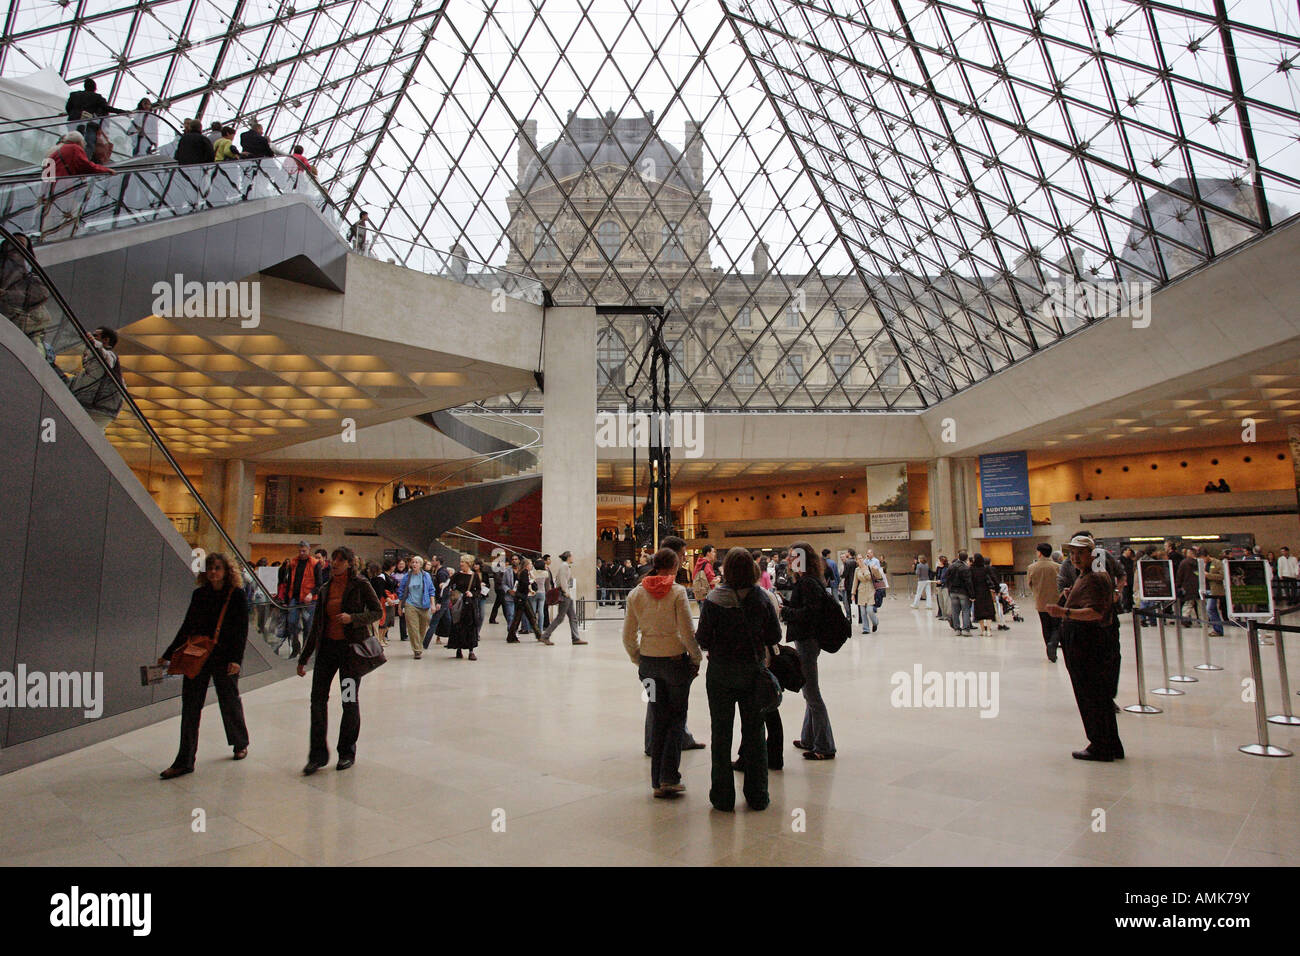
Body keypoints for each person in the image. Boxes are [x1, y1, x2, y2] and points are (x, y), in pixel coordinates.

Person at [696, 547, 782, 812]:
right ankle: (758, 795)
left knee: (720, 735)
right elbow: (775, 636)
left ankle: (722, 797)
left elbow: (703, 639)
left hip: (721, 672)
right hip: (752, 673)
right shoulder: (762, 598)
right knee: (755, 734)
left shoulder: (714, 599)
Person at [157, 552, 250, 778]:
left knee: (229, 701)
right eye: (210, 568)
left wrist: (236, 660)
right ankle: (184, 760)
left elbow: (241, 631)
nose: (213, 572)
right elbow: (187, 626)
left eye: (217, 568)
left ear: (227, 571)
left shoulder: (236, 595)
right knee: (190, 707)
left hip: (224, 658)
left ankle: (240, 742)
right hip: (197, 657)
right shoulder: (199, 595)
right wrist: (168, 653)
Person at [623, 547, 701, 798]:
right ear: (675, 566)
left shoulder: (636, 594)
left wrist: (638, 658)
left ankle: (657, 781)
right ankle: (669, 777)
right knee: (676, 718)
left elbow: (627, 635)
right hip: (674, 664)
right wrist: (696, 658)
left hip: (649, 665)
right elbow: (687, 631)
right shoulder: (677, 592)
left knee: (658, 717)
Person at [298, 547, 381, 773]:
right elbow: (316, 626)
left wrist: (352, 618)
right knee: (317, 700)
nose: (335, 563)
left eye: (340, 560)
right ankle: (317, 755)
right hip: (327, 651)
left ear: (349, 563)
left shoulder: (360, 584)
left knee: (348, 700)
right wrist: (304, 658)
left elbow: (377, 612)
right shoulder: (325, 588)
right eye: (333, 559)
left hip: (349, 653)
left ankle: (346, 752)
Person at [1047, 534, 1124, 762]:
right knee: (1097, 697)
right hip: (1084, 641)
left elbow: (1095, 612)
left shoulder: (1095, 578)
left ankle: (1100, 745)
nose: (1075, 557)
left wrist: (1064, 612)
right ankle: (1110, 743)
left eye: (1080, 553)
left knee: (1091, 696)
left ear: (1092, 554)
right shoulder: (1087, 576)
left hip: (1087, 643)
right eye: (1072, 553)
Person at [781, 542, 835, 760]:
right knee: (808, 690)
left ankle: (824, 746)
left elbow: (810, 614)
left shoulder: (808, 583)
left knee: (812, 693)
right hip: (808, 640)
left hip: (808, 640)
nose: (788, 560)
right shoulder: (806, 581)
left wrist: (785, 611)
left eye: (792, 556)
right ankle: (808, 737)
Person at [0, 235, 53, 355]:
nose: (16, 247)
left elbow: (41, 293)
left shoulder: (32, 273)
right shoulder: (3, 268)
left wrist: (6, 295)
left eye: (20, 244)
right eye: (12, 244)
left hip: (28, 328)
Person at [68, 325, 125, 429]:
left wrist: (95, 343)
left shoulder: (110, 355)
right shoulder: (94, 361)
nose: (92, 337)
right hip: (93, 406)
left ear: (106, 340)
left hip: (101, 408)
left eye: (95, 335)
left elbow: (108, 359)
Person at [540, 550, 587, 645]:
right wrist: (566, 591)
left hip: (566, 594)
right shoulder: (564, 566)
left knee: (573, 617)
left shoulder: (566, 566)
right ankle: (545, 636)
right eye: (572, 556)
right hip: (564, 594)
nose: (573, 558)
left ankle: (576, 638)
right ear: (568, 557)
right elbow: (562, 580)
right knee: (560, 617)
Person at [1027, 543, 1062, 662]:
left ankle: (1049, 646)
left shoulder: (1032, 567)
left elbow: (1029, 584)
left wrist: (1037, 592)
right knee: (1057, 626)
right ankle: (1053, 643)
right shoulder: (1057, 567)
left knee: (1045, 626)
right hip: (1056, 602)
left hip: (1041, 602)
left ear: (1040, 552)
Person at [445, 554, 482, 660]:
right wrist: (452, 591)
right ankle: (459, 648)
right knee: (458, 625)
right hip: (459, 604)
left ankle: (471, 650)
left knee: (470, 626)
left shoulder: (474, 576)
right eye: (461, 562)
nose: (461, 564)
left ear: (468, 564)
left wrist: (473, 594)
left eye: (463, 562)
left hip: (470, 604)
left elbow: (478, 590)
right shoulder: (457, 575)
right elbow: (450, 585)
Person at [397, 555, 434, 659]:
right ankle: (417, 650)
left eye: (417, 562)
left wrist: (433, 604)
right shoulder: (407, 576)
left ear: (421, 565)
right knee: (413, 628)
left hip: (424, 605)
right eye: (413, 562)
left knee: (422, 628)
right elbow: (401, 591)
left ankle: (419, 645)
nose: (414, 564)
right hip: (410, 604)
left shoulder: (426, 576)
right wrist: (400, 606)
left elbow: (431, 590)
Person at [506, 553, 543, 642]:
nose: (531, 566)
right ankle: (539, 636)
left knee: (526, 617)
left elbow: (529, 586)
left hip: (522, 597)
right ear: (526, 565)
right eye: (530, 564)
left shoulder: (526, 573)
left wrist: (531, 586)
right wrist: (532, 581)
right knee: (523, 618)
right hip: (521, 598)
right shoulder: (524, 573)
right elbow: (525, 584)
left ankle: (539, 635)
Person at [46, 131, 112, 177]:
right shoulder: (75, 148)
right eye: (83, 143)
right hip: (64, 185)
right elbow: (86, 165)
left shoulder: (57, 149)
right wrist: (106, 170)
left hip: (53, 187)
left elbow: (46, 169)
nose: (84, 146)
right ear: (79, 142)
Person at [970, 554, 998, 636]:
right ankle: (989, 630)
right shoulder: (986, 568)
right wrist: (997, 589)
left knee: (979, 612)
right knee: (988, 611)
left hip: (977, 593)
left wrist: (971, 594)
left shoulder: (972, 569)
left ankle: (983, 631)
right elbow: (993, 578)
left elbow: (970, 582)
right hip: (986, 592)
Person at [947, 551, 974, 636]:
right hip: (963, 592)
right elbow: (968, 582)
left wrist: (949, 589)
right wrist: (972, 594)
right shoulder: (966, 568)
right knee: (965, 610)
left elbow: (947, 578)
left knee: (955, 611)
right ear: (966, 558)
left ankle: (957, 629)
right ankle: (966, 629)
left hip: (953, 592)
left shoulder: (951, 566)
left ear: (958, 556)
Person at [934, 555, 950, 620]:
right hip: (939, 587)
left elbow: (948, 578)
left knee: (945, 601)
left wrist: (942, 581)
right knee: (940, 601)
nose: (937, 562)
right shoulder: (938, 568)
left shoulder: (946, 569)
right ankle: (943, 614)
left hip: (945, 586)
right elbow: (937, 576)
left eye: (938, 561)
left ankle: (946, 615)